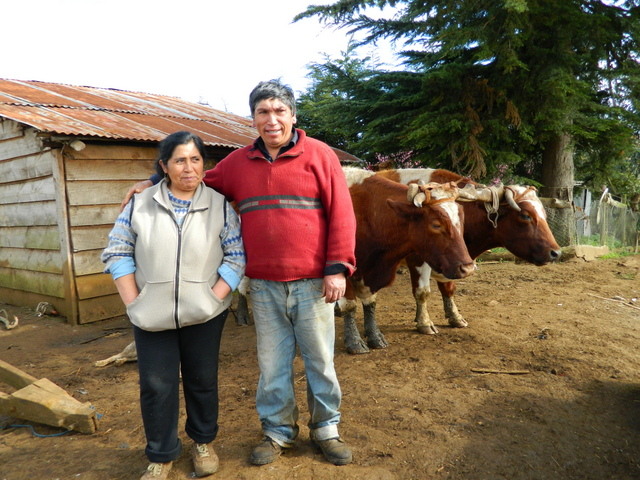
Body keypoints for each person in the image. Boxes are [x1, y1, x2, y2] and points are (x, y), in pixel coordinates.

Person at [123, 80, 357, 466]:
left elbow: (342, 213)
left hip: (314, 283)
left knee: (320, 361)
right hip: (263, 285)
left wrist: (338, 268)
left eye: (280, 111)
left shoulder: (320, 155)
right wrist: (151, 181)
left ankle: (326, 429)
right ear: (253, 120)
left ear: (293, 115)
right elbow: (196, 177)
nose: (272, 120)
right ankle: (278, 432)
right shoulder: (238, 162)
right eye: (263, 112)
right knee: (272, 365)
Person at [103, 131, 246, 480]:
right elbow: (117, 251)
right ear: (164, 166)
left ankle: (202, 442)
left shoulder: (218, 205)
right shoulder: (141, 203)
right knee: (156, 384)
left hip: (204, 313)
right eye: (179, 160)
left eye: (195, 159)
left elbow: (237, 254)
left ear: (203, 165)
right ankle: (161, 453)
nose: (188, 168)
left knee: (202, 380)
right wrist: (133, 300)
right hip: (150, 312)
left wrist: (215, 295)